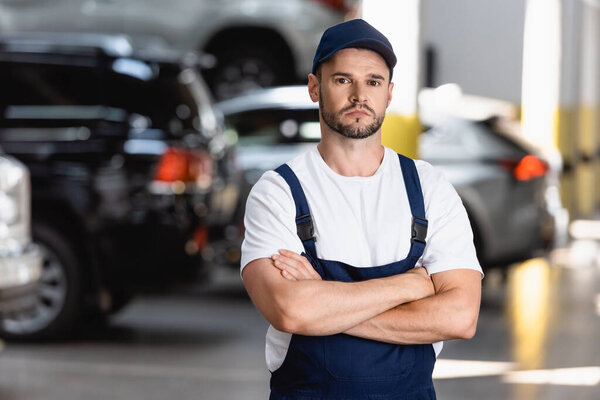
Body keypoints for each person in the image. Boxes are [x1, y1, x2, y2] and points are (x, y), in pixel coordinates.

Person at [241, 18, 483, 400]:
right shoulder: (279, 192)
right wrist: (410, 285)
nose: (359, 95)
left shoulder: (429, 188)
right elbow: (291, 311)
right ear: (314, 88)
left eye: (372, 81)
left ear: (389, 93)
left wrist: (325, 299)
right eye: (342, 80)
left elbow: (460, 316)